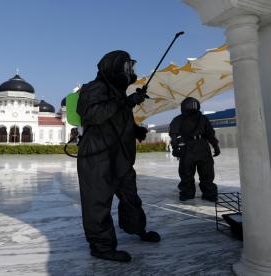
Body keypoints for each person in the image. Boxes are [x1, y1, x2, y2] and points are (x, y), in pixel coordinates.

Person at [76, 50, 160, 263]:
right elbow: (93, 115)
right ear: (113, 67)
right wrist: (127, 101)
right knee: (98, 201)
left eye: (130, 67)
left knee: (130, 195)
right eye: (126, 67)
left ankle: (137, 228)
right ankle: (101, 246)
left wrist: (135, 129)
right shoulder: (94, 88)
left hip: (119, 154)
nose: (130, 71)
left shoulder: (117, 92)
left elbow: (117, 121)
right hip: (97, 155)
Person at [169, 97, 220, 202]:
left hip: (203, 147)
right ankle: (187, 193)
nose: (192, 107)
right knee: (186, 173)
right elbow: (173, 134)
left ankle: (209, 193)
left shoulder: (203, 119)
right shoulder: (179, 119)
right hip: (187, 148)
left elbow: (210, 133)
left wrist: (215, 146)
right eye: (189, 105)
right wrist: (175, 147)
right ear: (183, 107)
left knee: (207, 173)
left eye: (194, 105)